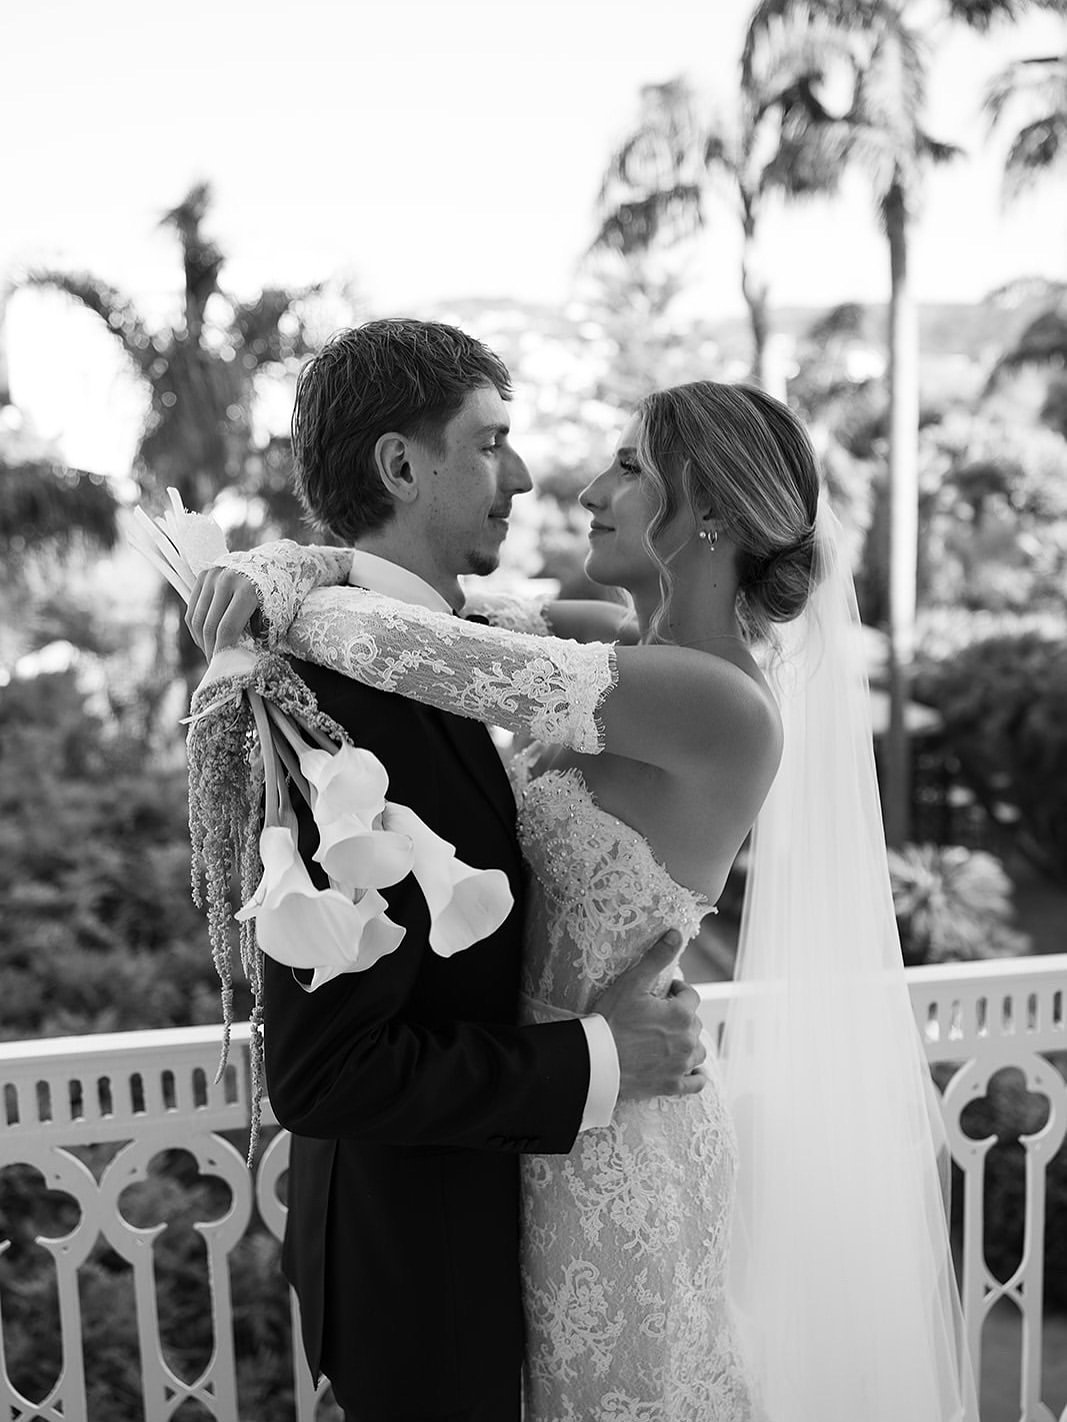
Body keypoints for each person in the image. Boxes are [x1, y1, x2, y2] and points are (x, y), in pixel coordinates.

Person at [193, 355, 977, 1419]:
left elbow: (411, 643)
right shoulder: (612, 640)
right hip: (536, 1119)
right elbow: (451, 614)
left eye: (625, 467)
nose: (584, 492)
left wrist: (267, 586)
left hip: (621, 1147)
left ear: (704, 511)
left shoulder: (717, 705)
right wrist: (286, 573)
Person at [188, 320, 708, 1422]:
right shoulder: (335, 710)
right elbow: (324, 1075)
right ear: (400, 464)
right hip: (422, 1282)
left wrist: (298, 564)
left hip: (483, 1244)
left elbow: (567, 634)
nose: (525, 477)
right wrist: (596, 1061)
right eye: (489, 442)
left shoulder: (438, 649)